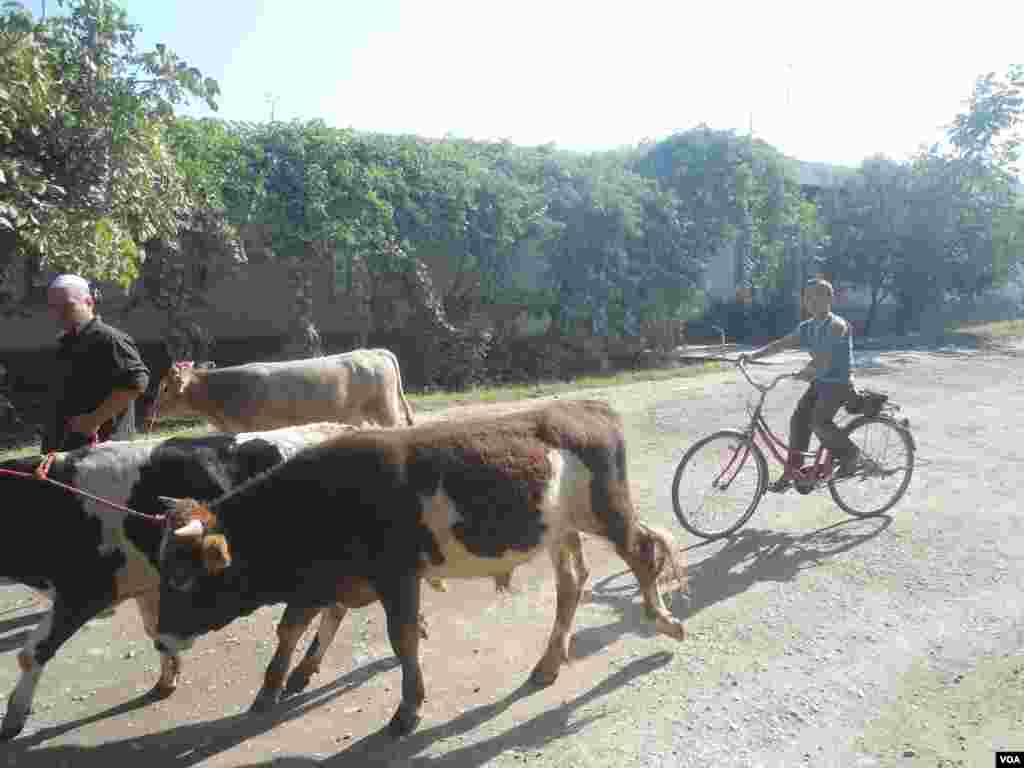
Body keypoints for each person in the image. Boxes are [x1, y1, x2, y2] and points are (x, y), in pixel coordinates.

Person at [739, 278, 867, 492]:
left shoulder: (837, 325)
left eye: (817, 296)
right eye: (807, 297)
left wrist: (809, 370)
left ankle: (851, 455)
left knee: (819, 421)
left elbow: (825, 358)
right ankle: (793, 473)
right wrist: (753, 355)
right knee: (799, 421)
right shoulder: (807, 327)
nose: (811, 301)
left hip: (838, 384)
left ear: (829, 299)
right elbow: (782, 343)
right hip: (820, 383)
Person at [42, 274, 150, 453]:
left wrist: (94, 420)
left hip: (104, 454)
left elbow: (137, 382)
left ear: (89, 302)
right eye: (53, 307)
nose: (58, 313)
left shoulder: (109, 339)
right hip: (65, 451)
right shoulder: (66, 343)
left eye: (67, 306)